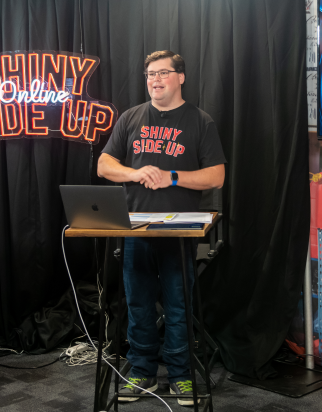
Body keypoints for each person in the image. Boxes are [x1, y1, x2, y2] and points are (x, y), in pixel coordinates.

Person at [97, 50, 226, 406]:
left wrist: (171, 177)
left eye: (163, 73)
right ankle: (141, 372)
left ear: (180, 77)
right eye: (150, 74)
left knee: (178, 306)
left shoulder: (200, 122)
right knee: (138, 305)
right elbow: (104, 165)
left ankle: (181, 375)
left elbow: (216, 176)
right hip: (135, 228)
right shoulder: (131, 118)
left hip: (180, 231)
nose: (155, 80)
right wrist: (136, 173)